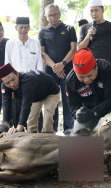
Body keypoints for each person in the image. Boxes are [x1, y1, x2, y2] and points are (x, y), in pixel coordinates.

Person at [66, 48, 111, 175]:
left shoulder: (106, 68)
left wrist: (95, 113)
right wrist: (77, 113)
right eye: (81, 77)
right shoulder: (71, 80)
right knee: (77, 135)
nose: (86, 80)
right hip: (91, 103)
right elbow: (72, 104)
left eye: (90, 76)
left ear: (96, 67)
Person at [38, 3, 77, 132]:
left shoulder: (69, 28)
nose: (53, 17)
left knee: (68, 101)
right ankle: (51, 129)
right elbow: (42, 53)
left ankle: (69, 129)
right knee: (51, 101)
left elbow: (73, 49)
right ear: (46, 16)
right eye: (50, 15)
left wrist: (62, 64)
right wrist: (55, 66)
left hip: (68, 71)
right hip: (50, 72)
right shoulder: (43, 32)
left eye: (55, 14)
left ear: (59, 14)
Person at [5, 17, 43, 130]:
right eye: (21, 27)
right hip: (16, 84)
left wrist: (39, 84)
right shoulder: (10, 43)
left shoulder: (35, 42)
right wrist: (10, 87)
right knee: (18, 113)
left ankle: (37, 140)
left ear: (29, 27)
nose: (23, 29)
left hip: (33, 83)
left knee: (36, 114)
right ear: (16, 28)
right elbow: (7, 64)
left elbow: (39, 64)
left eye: (25, 27)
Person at [0, 63, 60, 133]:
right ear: (3, 83)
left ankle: (48, 138)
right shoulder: (4, 86)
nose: (12, 84)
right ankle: (33, 141)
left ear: (17, 74)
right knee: (31, 123)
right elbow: (6, 105)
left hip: (51, 91)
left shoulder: (27, 80)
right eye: (7, 83)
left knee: (47, 118)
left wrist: (18, 129)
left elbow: (26, 105)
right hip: (35, 96)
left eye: (13, 79)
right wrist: (4, 130)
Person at [78, 0, 111, 74]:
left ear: (103, 10)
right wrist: (88, 35)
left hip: (109, 67)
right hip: (91, 69)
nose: (94, 13)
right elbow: (80, 48)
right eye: (91, 11)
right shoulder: (85, 28)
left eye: (96, 10)